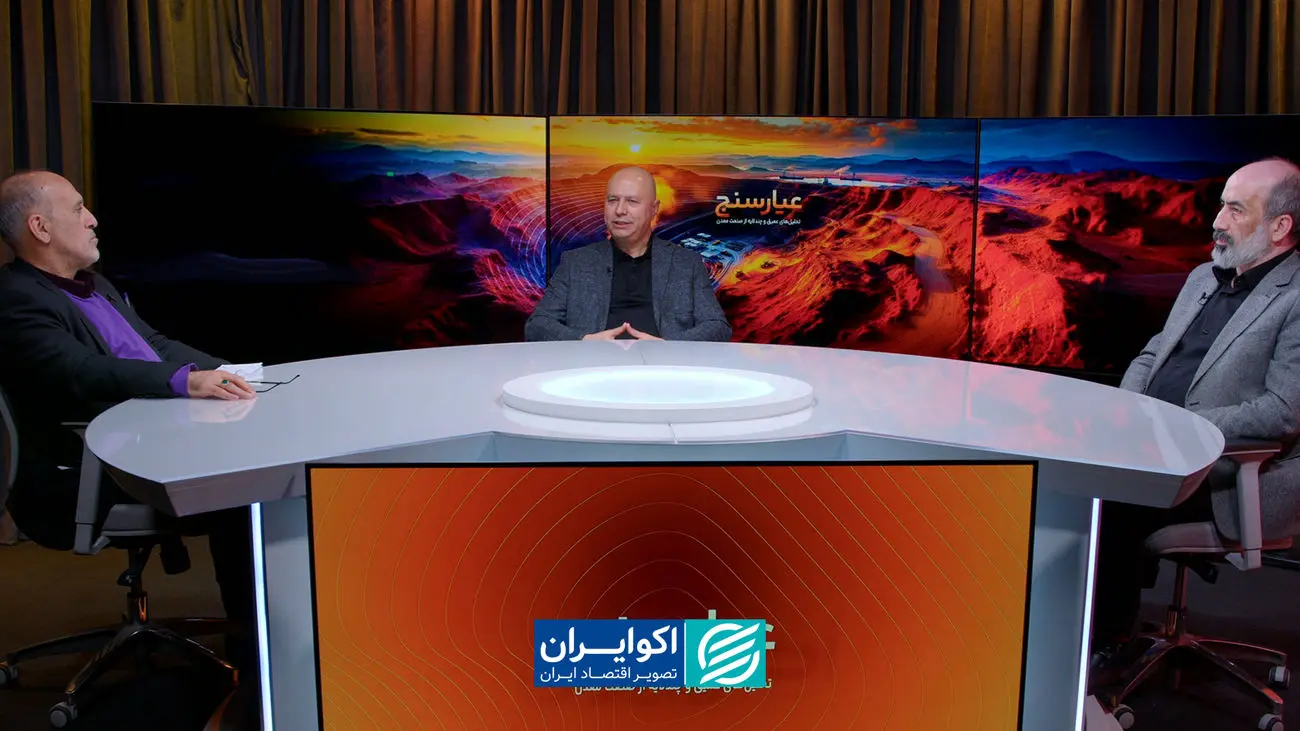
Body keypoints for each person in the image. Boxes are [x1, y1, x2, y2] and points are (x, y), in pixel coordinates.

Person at [0, 171, 260, 685]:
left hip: (139, 446)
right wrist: (185, 382)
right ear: (40, 227)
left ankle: (258, 631)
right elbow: (80, 371)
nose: (92, 219)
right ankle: (253, 650)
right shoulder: (17, 299)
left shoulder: (93, 286)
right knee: (243, 494)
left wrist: (230, 371)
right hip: (86, 473)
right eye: (78, 209)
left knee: (252, 471)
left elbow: (154, 345)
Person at [1091, 157, 1300, 664]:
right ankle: (1077, 622)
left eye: (1236, 210)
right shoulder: (1204, 277)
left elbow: (1284, 411)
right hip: (1152, 448)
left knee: (1104, 501)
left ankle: (1106, 643)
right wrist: (1130, 410)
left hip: (1225, 473)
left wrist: (1181, 428)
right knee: (1071, 480)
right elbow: (1152, 354)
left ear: (1280, 227)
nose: (1217, 221)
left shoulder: (1294, 298)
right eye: (1221, 205)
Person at [525, 166, 732, 342]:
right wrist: (584, 341)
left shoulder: (686, 263)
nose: (620, 210)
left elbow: (718, 327)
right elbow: (537, 325)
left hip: (663, 371)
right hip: (593, 369)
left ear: (654, 209)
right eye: (612, 200)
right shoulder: (576, 263)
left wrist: (669, 347)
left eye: (632, 201)